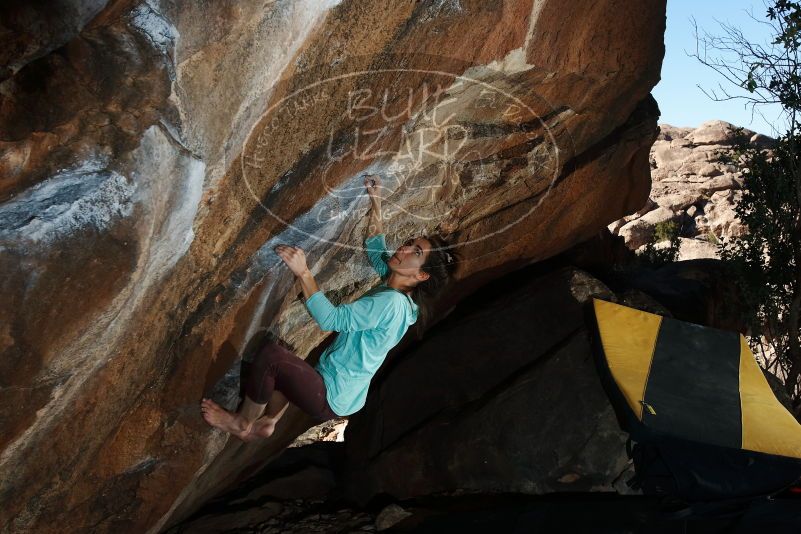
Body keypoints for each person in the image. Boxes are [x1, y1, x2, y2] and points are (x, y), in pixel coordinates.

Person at [201, 174, 459, 441]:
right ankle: (269, 421)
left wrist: (304, 273)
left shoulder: (390, 303)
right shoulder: (403, 298)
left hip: (332, 395)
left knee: (272, 357)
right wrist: (377, 203)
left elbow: (330, 319)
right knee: (290, 365)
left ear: (421, 276)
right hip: (343, 390)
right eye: (411, 243)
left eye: (415, 253)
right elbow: (374, 248)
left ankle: (241, 424)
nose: (404, 248)